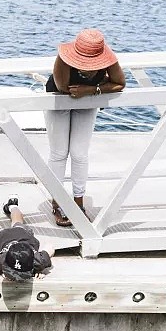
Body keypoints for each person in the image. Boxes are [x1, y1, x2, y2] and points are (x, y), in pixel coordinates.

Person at [45, 28, 125, 226]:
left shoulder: (109, 60)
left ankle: (78, 202)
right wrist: (99, 84)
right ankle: (57, 200)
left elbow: (120, 83)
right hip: (58, 99)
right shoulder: (63, 59)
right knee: (59, 152)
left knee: (79, 153)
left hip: (88, 99)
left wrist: (92, 89)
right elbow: (65, 88)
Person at [0, 196, 53, 281]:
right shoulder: (37, 261)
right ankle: (12, 206)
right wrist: (40, 269)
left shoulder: (2, 261)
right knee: (11, 222)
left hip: (13, 235)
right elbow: (50, 247)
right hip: (15, 235)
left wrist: (41, 267)